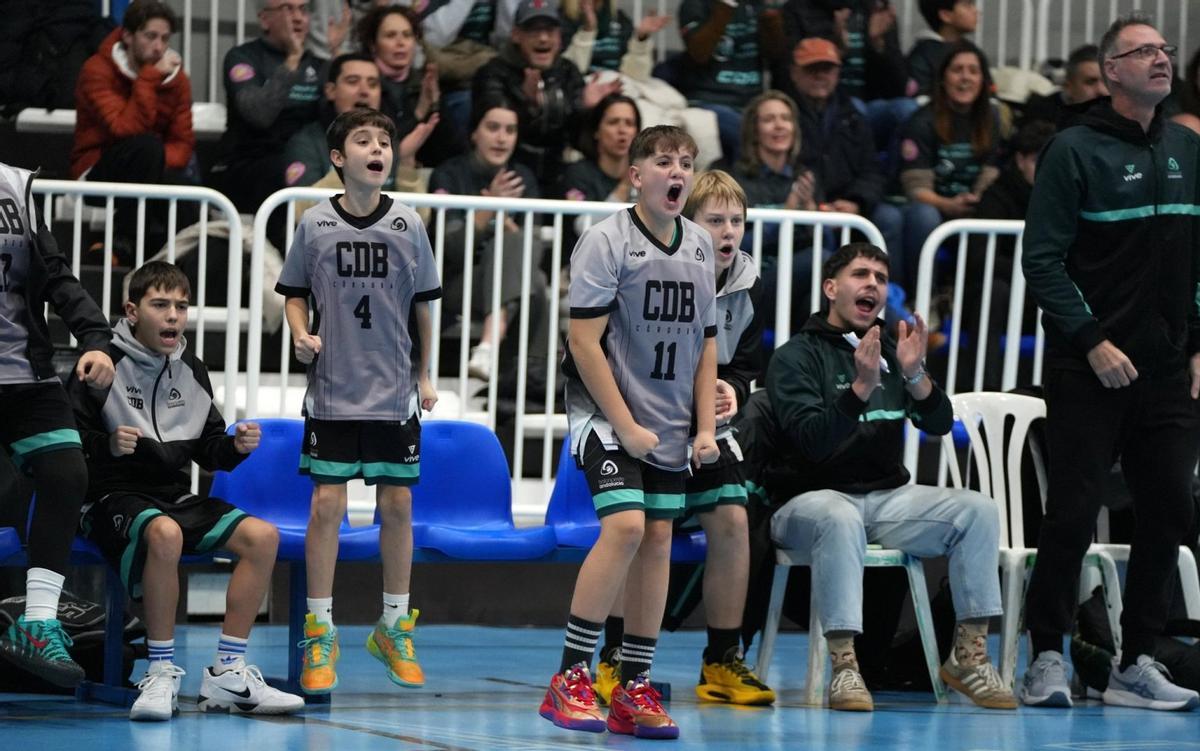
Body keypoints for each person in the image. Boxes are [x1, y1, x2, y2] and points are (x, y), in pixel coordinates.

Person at [1020, 14, 1200, 712]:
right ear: (1112, 70)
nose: (1161, 58)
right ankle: (1044, 656)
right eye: (1144, 51)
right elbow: (1041, 260)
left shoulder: (1188, 148)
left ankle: (1137, 660)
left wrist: (1197, 344)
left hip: (1165, 373)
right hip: (1086, 367)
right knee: (1071, 514)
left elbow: (1196, 260)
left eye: (1165, 49)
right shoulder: (1074, 150)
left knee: (1169, 512)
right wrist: (1092, 340)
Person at [765, 241, 1014, 711]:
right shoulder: (794, 357)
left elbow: (939, 425)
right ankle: (844, 667)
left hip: (884, 499)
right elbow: (812, 444)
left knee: (977, 510)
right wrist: (859, 389)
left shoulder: (890, 352)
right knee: (839, 516)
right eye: (861, 275)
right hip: (806, 501)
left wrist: (916, 373)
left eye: (880, 278)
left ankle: (970, 655)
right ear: (830, 288)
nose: (873, 285)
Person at [538, 125, 718, 738]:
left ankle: (633, 683)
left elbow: (706, 345)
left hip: (669, 418)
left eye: (686, 163)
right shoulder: (605, 241)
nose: (677, 172)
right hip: (605, 414)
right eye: (664, 161)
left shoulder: (698, 245)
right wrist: (626, 425)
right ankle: (570, 676)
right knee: (626, 526)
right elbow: (583, 344)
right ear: (636, 175)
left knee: (660, 540)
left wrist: (702, 427)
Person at [68, 261, 304, 721]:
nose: (174, 315)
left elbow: (208, 449)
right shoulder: (102, 364)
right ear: (132, 311)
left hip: (171, 497)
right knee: (165, 535)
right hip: (108, 497)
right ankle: (159, 672)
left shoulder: (191, 370)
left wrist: (233, 446)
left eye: (181, 305)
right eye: (161, 305)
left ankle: (227, 672)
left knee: (263, 537)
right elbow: (66, 442)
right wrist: (107, 445)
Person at [592, 170, 773, 708]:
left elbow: (742, 362)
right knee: (646, 528)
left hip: (701, 431)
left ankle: (721, 659)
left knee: (735, 518)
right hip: (641, 421)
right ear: (687, 224)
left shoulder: (746, 281)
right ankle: (613, 658)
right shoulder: (647, 265)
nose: (728, 232)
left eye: (737, 221)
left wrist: (731, 390)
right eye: (715, 220)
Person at [275, 107, 442, 695]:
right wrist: (300, 333)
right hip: (334, 391)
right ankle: (319, 631)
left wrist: (426, 375)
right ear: (340, 159)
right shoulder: (314, 225)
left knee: (396, 504)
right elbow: (293, 294)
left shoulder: (410, 225)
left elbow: (425, 305)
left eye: (385, 141)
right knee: (326, 505)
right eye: (363, 141)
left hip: (394, 390)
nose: (378, 148)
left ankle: (394, 625)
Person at [0, 161, 115, 688]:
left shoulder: (14, 187)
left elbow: (59, 277)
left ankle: (39, 621)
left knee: (67, 474)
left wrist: (96, 339)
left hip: (26, 372)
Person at [429, 95, 547, 381]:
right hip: (456, 282)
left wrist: (502, 221)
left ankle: (490, 346)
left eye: (510, 130)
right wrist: (488, 207)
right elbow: (452, 250)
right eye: (493, 127)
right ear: (474, 132)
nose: (502, 138)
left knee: (524, 258)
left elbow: (534, 247)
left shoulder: (522, 177)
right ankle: (536, 377)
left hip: (506, 283)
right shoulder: (449, 174)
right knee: (537, 284)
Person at [71, 0, 196, 258]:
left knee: (186, 197)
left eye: (164, 38)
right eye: (150, 36)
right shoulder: (97, 69)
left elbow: (182, 145)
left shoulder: (178, 80)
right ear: (127, 35)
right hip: (98, 171)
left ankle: (179, 270)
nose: (159, 47)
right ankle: (123, 244)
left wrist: (157, 162)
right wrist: (149, 78)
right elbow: (124, 128)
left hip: (150, 167)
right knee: (146, 147)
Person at [472, 0, 620, 191]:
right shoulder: (492, 73)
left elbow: (578, 141)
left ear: (559, 37)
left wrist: (586, 108)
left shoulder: (568, 72)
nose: (543, 38)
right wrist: (526, 103)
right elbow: (494, 133)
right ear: (516, 35)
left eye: (550, 31)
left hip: (558, 174)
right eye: (534, 31)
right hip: (508, 172)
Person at [896, 41, 1002, 293]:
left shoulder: (993, 119)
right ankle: (924, 298)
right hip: (930, 206)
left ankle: (967, 301)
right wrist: (949, 205)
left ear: (983, 80)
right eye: (957, 70)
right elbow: (915, 188)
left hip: (970, 205)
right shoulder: (921, 121)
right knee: (924, 215)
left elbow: (992, 171)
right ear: (943, 79)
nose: (965, 78)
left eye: (973, 71)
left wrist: (976, 198)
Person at [787, 37, 902, 262]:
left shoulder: (854, 116)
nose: (820, 75)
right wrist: (818, 205)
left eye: (827, 69)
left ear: (838, 73)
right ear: (794, 73)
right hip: (803, 205)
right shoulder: (783, 114)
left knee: (890, 217)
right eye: (812, 69)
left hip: (849, 204)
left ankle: (895, 294)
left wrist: (855, 202)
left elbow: (872, 171)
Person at [208, 0, 323, 215]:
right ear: (264, 19)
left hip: (301, 161)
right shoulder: (243, 57)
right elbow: (259, 115)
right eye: (288, 9)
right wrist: (292, 61)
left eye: (303, 9)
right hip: (250, 165)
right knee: (286, 170)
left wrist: (336, 59)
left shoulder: (318, 66)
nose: (298, 17)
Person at [715, 90, 819, 328]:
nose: (779, 126)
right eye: (769, 119)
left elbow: (827, 246)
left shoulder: (804, 177)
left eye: (785, 118)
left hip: (795, 285)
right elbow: (731, 245)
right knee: (819, 260)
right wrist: (789, 212)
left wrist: (812, 210)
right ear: (754, 129)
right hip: (747, 281)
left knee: (819, 298)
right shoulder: (731, 177)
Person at [282, 53, 435, 197]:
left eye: (372, 84)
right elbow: (299, 210)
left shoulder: (390, 145)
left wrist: (406, 162)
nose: (364, 91)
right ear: (331, 91)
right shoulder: (306, 142)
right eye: (353, 81)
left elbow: (420, 218)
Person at [677, 0, 788, 164]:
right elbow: (699, 52)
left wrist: (770, 14)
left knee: (786, 130)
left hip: (752, 102)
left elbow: (776, 54)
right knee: (746, 133)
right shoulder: (695, 4)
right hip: (709, 100)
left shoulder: (760, 5)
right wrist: (725, 6)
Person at [356, 4, 463, 168]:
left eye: (407, 35)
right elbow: (379, 145)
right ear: (373, 44)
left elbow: (450, 150)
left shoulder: (425, 83)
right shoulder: (364, 87)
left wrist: (435, 105)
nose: (401, 42)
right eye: (390, 35)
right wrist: (418, 113)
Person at [905, 0, 987, 97]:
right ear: (946, 15)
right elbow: (920, 97)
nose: (976, 11)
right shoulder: (923, 55)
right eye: (967, 5)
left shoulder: (972, 50)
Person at [1021, 44, 1108, 129]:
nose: (1102, 91)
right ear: (1068, 87)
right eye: (1090, 82)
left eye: (1107, 82)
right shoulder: (1042, 118)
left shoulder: (1116, 114)